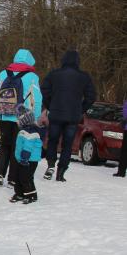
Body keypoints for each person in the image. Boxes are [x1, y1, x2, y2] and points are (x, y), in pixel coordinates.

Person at [40, 50, 96, 182]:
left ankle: (51, 165)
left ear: (63, 60)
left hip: (56, 113)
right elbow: (91, 96)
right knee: (67, 144)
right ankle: (61, 172)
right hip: (73, 116)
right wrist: (81, 109)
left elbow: (44, 91)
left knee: (52, 141)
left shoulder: (54, 74)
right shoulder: (84, 77)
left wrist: (50, 105)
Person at [0, 49, 42, 186]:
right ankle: (12, 178)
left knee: (4, 146)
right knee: (17, 147)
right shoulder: (32, 76)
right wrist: (34, 118)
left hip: (4, 114)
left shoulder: (3, 73)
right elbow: (37, 98)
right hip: (22, 118)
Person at [10, 106, 43, 204]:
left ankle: (31, 195)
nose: (17, 122)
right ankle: (20, 193)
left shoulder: (30, 132)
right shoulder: (24, 131)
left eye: (18, 119)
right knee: (18, 176)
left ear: (23, 121)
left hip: (29, 160)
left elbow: (28, 146)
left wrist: (24, 158)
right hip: (23, 159)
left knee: (26, 177)